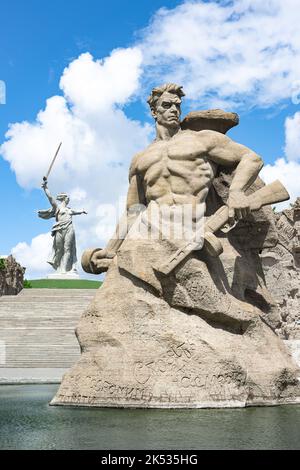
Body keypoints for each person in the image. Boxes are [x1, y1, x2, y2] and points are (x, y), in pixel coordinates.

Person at [85, 83, 263, 274]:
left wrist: (236, 191)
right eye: (167, 105)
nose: (174, 110)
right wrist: (111, 250)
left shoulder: (202, 140)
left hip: (190, 229)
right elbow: (133, 211)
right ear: (154, 112)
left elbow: (252, 158)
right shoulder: (140, 159)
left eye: (177, 106)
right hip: (147, 233)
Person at [38, 178, 87, 274]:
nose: (69, 199)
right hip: (59, 229)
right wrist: (45, 188)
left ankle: (64, 269)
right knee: (59, 249)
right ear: (64, 198)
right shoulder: (57, 207)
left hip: (69, 229)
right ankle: (58, 267)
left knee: (68, 249)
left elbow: (76, 212)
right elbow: (50, 198)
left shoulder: (70, 210)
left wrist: (82, 211)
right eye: (67, 197)